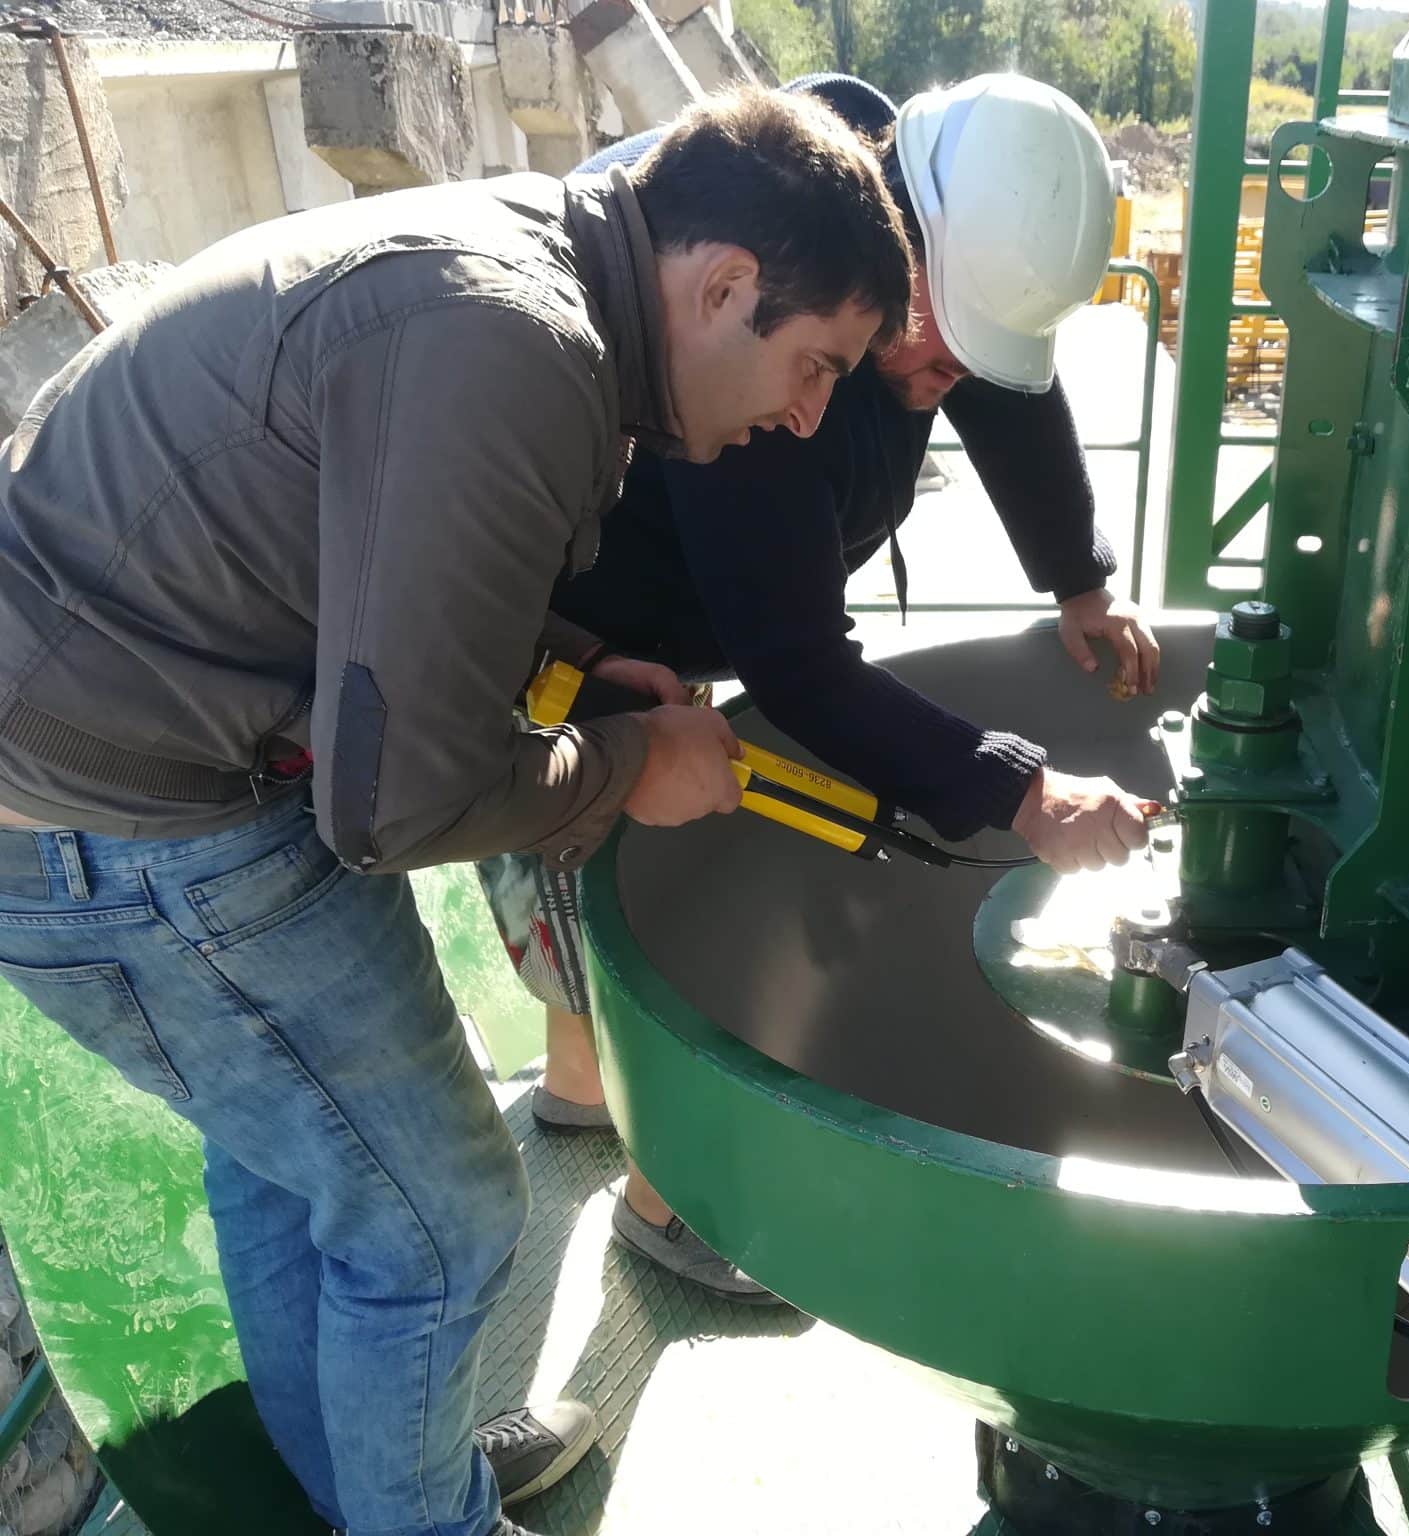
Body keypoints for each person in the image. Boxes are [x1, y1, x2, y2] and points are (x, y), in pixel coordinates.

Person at [0, 88, 913, 1536]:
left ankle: (371, 1487)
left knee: (300, 1162)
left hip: (101, 727)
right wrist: (635, 769)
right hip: (116, 808)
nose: (810, 417)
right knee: (445, 1218)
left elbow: (367, 551)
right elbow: (401, 808)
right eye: (813, 366)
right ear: (723, 284)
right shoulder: (522, 348)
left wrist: (565, 669)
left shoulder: (539, 265)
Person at [480, 74, 1163, 1306]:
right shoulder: (766, 321)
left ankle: (579, 1089)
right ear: (891, 253)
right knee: (603, 829)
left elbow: (1006, 384)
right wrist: (1023, 794)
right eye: (931, 342)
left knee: (580, 862)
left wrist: (1077, 579)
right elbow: (797, 662)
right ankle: (670, 1196)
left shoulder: (896, 227)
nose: (945, 371)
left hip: (655, 599)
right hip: (579, 606)